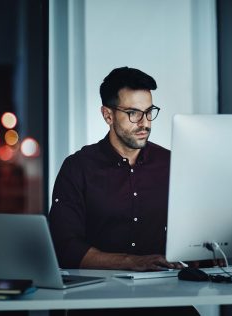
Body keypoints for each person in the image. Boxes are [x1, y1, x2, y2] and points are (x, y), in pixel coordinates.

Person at [49, 66, 183, 272]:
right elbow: (65, 248)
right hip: (99, 293)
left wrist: (204, 254)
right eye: (133, 113)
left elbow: (191, 233)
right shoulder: (77, 167)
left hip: (164, 287)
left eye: (149, 112)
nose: (145, 123)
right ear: (107, 115)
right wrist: (132, 262)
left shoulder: (171, 163)